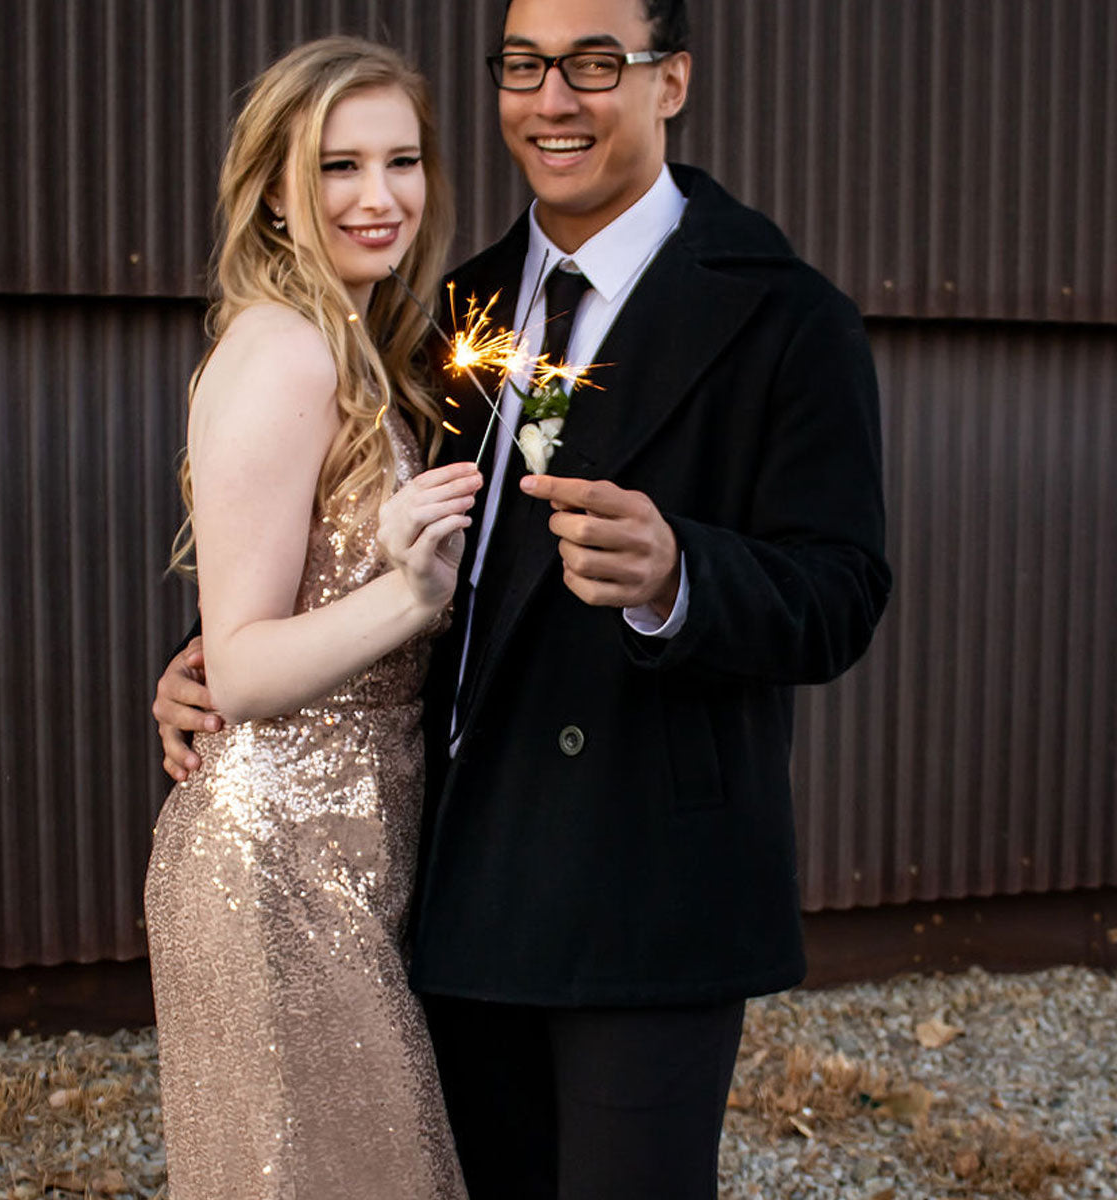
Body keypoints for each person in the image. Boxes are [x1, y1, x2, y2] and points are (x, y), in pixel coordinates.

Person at [155, 1, 891, 1196]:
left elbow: (843, 592)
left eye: (595, 63)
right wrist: (211, 658)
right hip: (453, 885)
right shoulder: (459, 308)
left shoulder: (786, 314)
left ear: (672, 81)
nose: (554, 99)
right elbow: (364, 532)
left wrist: (682, 576)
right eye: (524, 65)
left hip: (645, 893)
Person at [143, 37, 480, 1200]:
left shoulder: (361, 346)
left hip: (348, 851)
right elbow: (240, 670)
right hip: (272, 863)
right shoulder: (284, 352)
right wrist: (414, 594)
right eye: (339, 166)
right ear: (276, 193)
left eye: (402, 160)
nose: (379, 196)